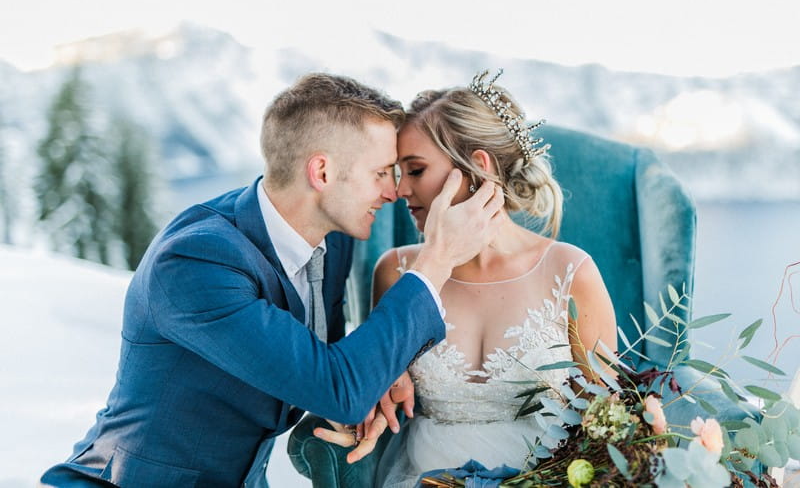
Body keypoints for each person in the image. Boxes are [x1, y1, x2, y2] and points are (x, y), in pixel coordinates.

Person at [39, 73, 505, 488]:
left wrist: (385, 371)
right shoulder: (196, 262)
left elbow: (320, 357)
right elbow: (338, 391)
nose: (393, 191)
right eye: (382, 173)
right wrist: (437, 260)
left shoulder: (333, 237)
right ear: (321, 172)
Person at [334, 71, 617, 487]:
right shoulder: (395, 273)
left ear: (476, 168)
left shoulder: (570, 272)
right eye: (396, 173)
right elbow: (369, 381)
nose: (400, 191)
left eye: (415, 170)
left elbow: (607, 421)